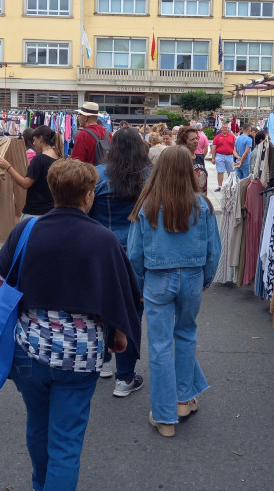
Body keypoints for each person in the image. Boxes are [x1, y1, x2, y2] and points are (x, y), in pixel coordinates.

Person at [0, 159, 142, 490]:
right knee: (66, 442)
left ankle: (40, 483)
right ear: (88, 196)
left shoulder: (25, 231)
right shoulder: (104, 240)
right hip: (81, 355)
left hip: (30, 350)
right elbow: (121, 296)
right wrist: (118, 336)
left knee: (38, 427)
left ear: (54, 192)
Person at [127, 147, 221, 438]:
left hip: (157, 279)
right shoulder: (202, 205)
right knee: (186, 336)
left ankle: (165, 416)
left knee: (159, 346)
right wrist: (205, 279)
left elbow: (134, 253)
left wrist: (140, 284)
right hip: (191, 277)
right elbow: (213, 250)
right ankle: (183, 400)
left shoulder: (148, 205)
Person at [89, 127, 151, 392]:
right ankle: (125, 377)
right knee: (131, 314)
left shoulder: (98, 175)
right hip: (138, 254)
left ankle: (103, 361)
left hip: (103, 252)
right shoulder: (150, 177)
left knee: (101, 309)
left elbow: (87, 214)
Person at [0, 125, 62, 220]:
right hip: (51, 212)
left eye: (34, 140)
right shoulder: (59, 158)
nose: (33, 143)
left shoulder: (39, 159)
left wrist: (7, 167)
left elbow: (25, 183)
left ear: (41, 139)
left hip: (35, 213)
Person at [177, 125, 208, 193]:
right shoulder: (181, 159)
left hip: (202, 196)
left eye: (197, 138)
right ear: (184, 142)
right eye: (192, 139)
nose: (196, 141)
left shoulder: (199, 157)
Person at [209, 121, 237, 191]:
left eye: (226, 128)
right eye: (224, 128)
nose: (225, 129)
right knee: (220, 171)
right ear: (221, 129)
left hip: (229, 156)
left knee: (230, 172)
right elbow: (213, 148)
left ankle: (229, 185)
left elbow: (235, 147)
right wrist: (213, 158)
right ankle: (220, 186)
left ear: (228, 128)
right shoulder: (217, 137)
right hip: (220, 155)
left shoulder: (232, 137)